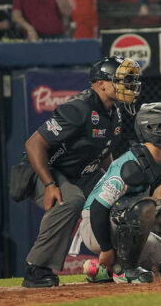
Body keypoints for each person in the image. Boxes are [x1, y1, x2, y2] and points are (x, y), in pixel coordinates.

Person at [17, 56, 140, 288]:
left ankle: (118, 263)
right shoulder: (79, 107)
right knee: (71, 200)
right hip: (39, 169)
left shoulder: (115, 112)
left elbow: (104, 153)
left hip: (76, 174)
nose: (128, 85)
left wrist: (113, 182)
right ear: (101, 83)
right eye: (122, 80)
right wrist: (50, 185)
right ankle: (36, 269)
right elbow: (33, 145)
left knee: (118, 201)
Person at [79, 102, 161, 284]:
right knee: (142, 206)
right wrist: (107, 249)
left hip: (132, 229)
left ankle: (102, 271)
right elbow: (98, 208)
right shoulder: (130, 165)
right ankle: (123, 270)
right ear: (151, 128)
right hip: (96, 227)